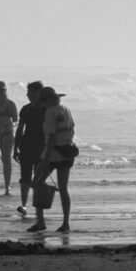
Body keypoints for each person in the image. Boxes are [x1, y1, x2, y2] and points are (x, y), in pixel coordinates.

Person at [34, 87, 77, 234]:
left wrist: (45, 160)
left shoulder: (50, 112)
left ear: (48, 101)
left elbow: (51, 137)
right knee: (63, 189)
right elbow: (72, 131)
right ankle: (66, 223)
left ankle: (40, 221)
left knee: (38, 183)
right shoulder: (66, 109)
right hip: (67, 152)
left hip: (53, 154)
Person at [14, 82, 46, 211]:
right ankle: (24, 204)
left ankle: (37, 205)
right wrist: (15, 147)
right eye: (28, 93)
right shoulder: (26, 109)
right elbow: (19, 130)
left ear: (38, 92)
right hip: (27, 147)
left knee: (39, 178)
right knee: (26, 176)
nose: (28, 95)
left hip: (41, 148)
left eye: (30, 92)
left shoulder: (46, 109)